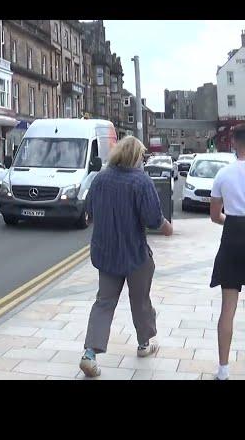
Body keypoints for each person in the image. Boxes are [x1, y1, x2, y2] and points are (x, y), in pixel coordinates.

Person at [79, 136, 173, 377]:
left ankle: (89, 353)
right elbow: (153, 219)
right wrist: (167, 227)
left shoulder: (100, 179)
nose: (144, 161)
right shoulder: (140, 181)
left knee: (104, 302)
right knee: (140, 300)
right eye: (143, 156)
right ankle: (144, 344)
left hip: (106, 253)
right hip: (135, 254)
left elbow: (88, 211)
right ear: (135, 156)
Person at [209, 124, 245, 380]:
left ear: (234, 143)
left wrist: (231, 220)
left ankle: (223, 370)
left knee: (227, 308)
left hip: (232, 235)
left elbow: (214, 216)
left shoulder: (223, 174)